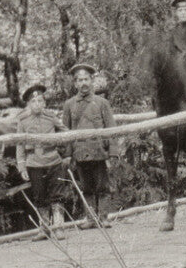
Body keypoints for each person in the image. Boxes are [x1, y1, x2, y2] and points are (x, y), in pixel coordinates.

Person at [62, 63, 117, 229]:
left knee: (103, 186)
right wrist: (67, 154)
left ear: (92, 81)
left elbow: (111, 128)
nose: (83, 83)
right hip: (80, 152)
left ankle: (104, 217)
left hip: (99, 151)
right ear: (75, 83)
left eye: (86, 79)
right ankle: (91, 219)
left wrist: (113, 152)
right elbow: (66, 132)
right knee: (86, 187)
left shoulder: (101, 103)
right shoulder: (69, 105)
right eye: (79, 80)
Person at [15, 84, 67, 240]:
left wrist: (60, 146)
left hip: (53, 160)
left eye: (40, 101)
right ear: (28, 104)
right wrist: (22, 166)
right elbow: (19, 144)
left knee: (56, 195)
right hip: (34, 163)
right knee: (39, 196)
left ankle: (58, 228)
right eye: (33, 102)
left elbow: (65, 131)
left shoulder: (51, 117)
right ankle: (44, 228)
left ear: (44, 103)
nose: (37, 104)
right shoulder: (23, 120)